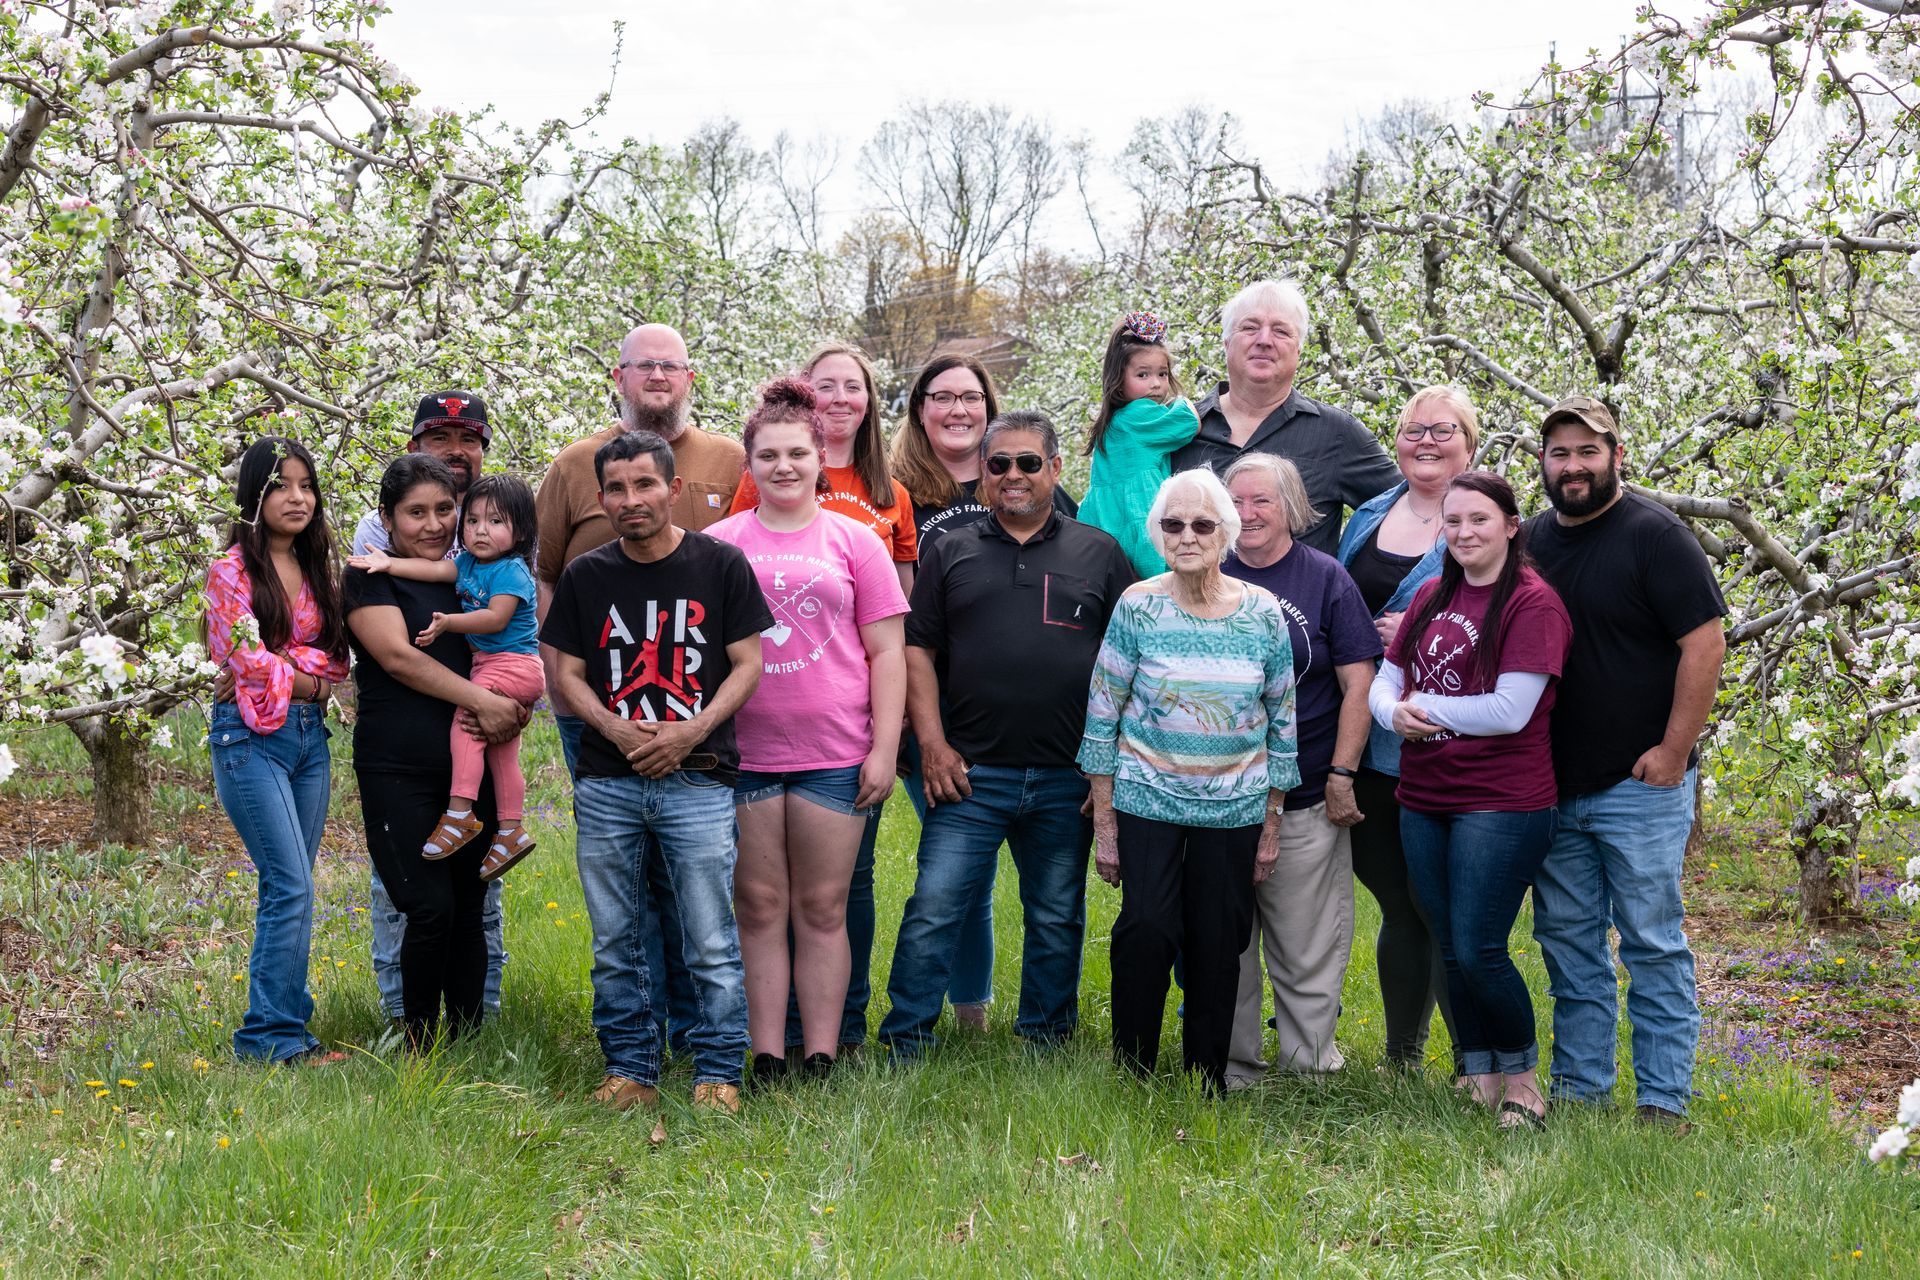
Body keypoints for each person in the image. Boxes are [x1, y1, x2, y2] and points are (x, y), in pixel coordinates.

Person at [879, 410, 1134, 1057]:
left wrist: (1107, 767)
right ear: (984, 474)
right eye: (999, 464)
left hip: (1067, 775)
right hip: (970, 774)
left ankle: (1045, 1037)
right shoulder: (950, 550)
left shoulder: (1099, 552)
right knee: (935, 906)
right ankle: (905, 1039)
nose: (1013, 475)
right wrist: (932, 745)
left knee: (1056, 913)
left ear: (1056, 468)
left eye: (1028, 462)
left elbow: (1131, 658)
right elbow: (917, 650)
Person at [543, 429, 772, 1120]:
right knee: (616, 936)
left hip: (698, 778)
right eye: (615, 488)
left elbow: (748, 664)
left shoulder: (720, 565)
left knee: (709, 935)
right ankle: (630, 1067)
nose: (630, 499)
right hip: (607, 781)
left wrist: (690, 732)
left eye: (644, 484)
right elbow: (566, 673)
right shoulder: (587, 576)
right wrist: (613, 727)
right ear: (601, 497)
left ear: (671, 489)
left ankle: (718, 1071)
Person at [535, 325, 742, 1056]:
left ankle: (700, 1040)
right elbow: (548, 576)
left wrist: (696, 726)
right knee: (623, 898)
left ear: (689, 376)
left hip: (701, 723)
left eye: (669, 365)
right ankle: (638, 1045)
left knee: (696, 892)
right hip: (599, 714)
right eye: (641, 365)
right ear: (618, 377)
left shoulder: (731, 460)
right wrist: (571, 696)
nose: (656, 376)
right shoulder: (573, 465)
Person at [1525, 395, 1728, 1128]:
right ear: (1543, 462)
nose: (1573, 466)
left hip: (1639, 786)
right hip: (1553, 783)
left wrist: (1673, 752)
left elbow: (1704, 644)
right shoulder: (1531, 540)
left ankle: (1663, 1101)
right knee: (1568, 945)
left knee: (1651, 943)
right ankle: (1580, 1092)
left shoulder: (1657, 536)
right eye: (1560, 453)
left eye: (1589, 451)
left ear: (1617, 456)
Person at [709, 378, 909, 1083]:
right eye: (768, 455)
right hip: (744, 753)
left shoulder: (856, 542)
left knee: (824, 906)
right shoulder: (719, 546)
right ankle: (766, 1055)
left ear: (821, 457)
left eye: (797, 452)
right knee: (759, 905)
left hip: (834, 751)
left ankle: (821, 1054)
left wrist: (884, 749)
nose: (784, 466)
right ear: (750, 463)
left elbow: (888, 652)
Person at [1081, 468, 1301, 1092]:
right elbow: (1102, 712)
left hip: (1234, 807)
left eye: (1202, 524)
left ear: (1226, 533)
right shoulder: (1138, 604)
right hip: (1147, 797)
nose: (1186, 536)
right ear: (1157, 532)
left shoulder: (1262, 613)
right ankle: (1133, 1070)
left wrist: (1272, 822)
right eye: (1172, 524)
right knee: (1145, 928)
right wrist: (1105, 823)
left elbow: (1282, 719)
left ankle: (1208, 1078)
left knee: (1217, 939)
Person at [1368, 472, 1572, 1129]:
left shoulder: (1533, 604)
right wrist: (1392, 713)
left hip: (1501, 802)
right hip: (1424, 796)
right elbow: (1385, 681)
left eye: (1479, 519)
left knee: (1481, 946)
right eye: (1452, 521)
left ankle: (1524, 1085)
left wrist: (1421, 706)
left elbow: (1511, 710)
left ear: (1511, 526)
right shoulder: (1432, 594)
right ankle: (1480, 1074)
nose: (1463, 532)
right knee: (1450, 945)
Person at [887, 351, 1079, 1030]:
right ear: (919, 410)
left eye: (970, 396)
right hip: (946, 725)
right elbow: (912, 636)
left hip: (1051, 747)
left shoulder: (1078, 535)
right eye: (941, 397)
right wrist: (922, 733)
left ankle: (1003, 1023)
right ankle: (918, 1029)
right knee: (946, 885)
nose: (957, 409)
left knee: (1048, 905)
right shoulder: (904, 497)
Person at [345, 456, 530, 1049]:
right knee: (427, 906)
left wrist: (511, 705)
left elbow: (511, 648)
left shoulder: (473, 572)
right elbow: (399, 658)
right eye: (415, 512)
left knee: (470, 904)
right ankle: (419, 1044)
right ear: (387, 518)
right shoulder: (369, 576)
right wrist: (485, 701)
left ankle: (468, 1044)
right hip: (397, 767)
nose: (433, 524)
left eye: (445, 509)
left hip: (468, 771)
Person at [1220, 455, 1380, 1083]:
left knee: (1306, 940)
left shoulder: (1325, 578)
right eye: (1235, 501)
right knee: (1226, 939)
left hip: (1307, 792)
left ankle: (1309, 1067)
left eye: (1261, 500)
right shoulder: (1205, 571)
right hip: (1216, 796)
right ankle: (1233, 1066)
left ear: (1291, 508)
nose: (1247, 514)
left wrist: (1343, 773)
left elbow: (1358, 682)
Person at [1335, 386, 1479, 1069]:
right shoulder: (1367, 515)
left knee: (1438, 906)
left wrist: (1421, 634)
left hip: (1438, 741)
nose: (1426, 442)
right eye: (1413, 429)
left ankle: (1476, 1060)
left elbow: (1507, 617)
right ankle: (1402, 1059)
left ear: (1470, 444)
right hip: (1365, 740)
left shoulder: (1483, 518)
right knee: (1398, 901)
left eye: (1443, 431)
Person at [204, 437, 351, 1064]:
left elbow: (337, 659)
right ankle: (269, 1038)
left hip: (309, 740)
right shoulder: (230, 571)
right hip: (249, 738)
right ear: (254, 496)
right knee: (291, 884)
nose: (298, 498)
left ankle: (284, 1030)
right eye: (281, 486)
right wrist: (304, 676)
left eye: (306, 486)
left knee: (293, 887)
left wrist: (287, 665)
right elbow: (244, 661)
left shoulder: (319, 568)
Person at [348, 474, 544, 882]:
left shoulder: (512, 570)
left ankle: (460, 811)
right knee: (501, 751)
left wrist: (448, 622)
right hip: (493, 665)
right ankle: (510, 830)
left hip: (512, 664)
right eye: (472, 521)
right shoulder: (468, 563)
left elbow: (496, 618)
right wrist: (389, 563)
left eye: (495, 522)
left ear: (522, 531)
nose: (480, 531)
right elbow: (433, 570)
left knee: (466, 723)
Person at [1171, 279, 1399, 555]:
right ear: (1226, 343)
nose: (1264, 340)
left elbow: (1411, 509)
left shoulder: (1338, 434)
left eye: (1281, 331)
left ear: (1298, 350)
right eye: (1250, 327)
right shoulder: (1174, 431)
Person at [1076, 311, 1201, 577]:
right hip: (1141, 513)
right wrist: (1183, 401)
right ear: (1119, 380)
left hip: (1108, 520)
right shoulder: (1140, 414)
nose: (1156, 384)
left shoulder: (1113, 421)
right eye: (1143, 375)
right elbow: (1189, 421)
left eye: (1163, 374)